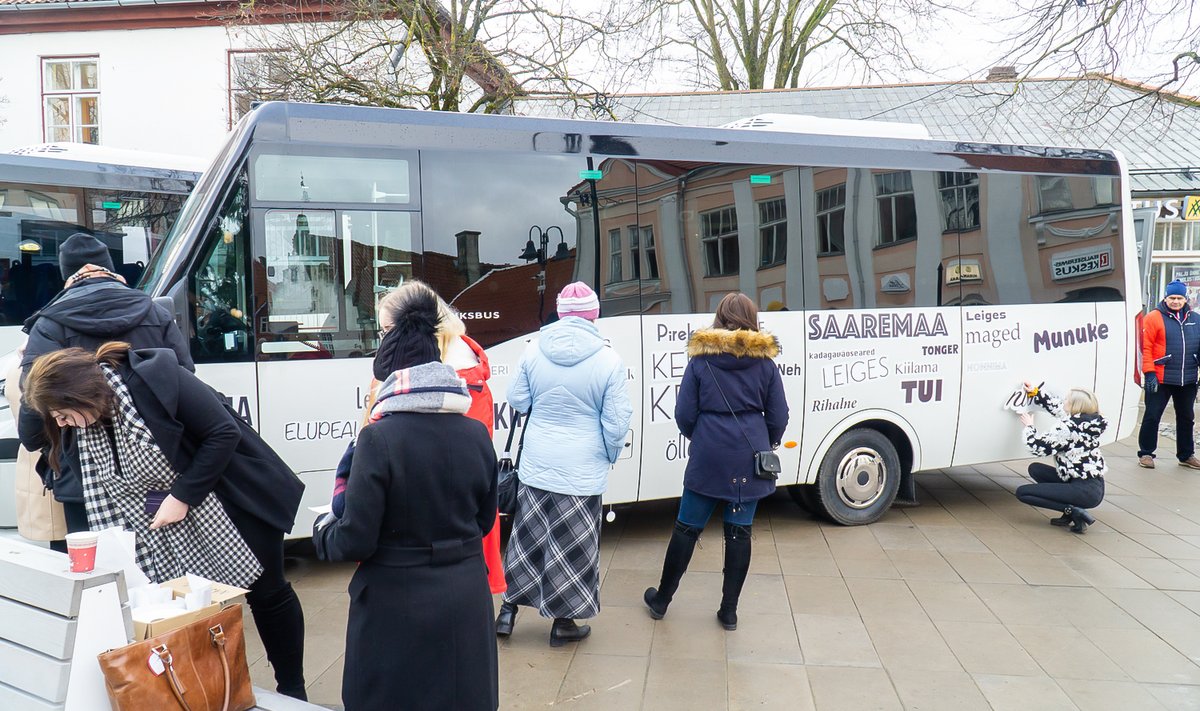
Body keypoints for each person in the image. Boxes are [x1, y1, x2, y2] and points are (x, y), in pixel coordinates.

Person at [21, 343, 308, 699]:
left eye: (63, 414)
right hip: (161, 517)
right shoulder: (87, 421)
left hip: (232, 498)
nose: (62, 425)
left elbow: (223, 433)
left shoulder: (155, 378)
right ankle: (212, 690)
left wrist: (183, 496)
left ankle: (293, 689)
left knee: (268, 593)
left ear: (80, 393)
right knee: (187, 606)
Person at [314, 289, 499, 711]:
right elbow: (485, 521)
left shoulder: (378, 438)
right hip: (465, 602)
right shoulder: (475, 433)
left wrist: (323, 532)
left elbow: (355, 539)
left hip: (398, 607)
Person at [330, 280, 506, 595]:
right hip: (454, 570)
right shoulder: (457, 389)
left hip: (413, 561)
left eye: (386, 332)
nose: (382, 341)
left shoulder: (468, 388)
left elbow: (453, 483)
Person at [18, 232, 193, 537]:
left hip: (82, 477)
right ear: (109, 268)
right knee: (162, 568)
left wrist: (40, 440)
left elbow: (34, 412)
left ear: (67, 275)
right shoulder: (155, 311)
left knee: (96, 571)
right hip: (157, 466)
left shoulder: (49, 324)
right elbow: (185, 380)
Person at [496, 282, 632, 647]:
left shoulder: (533, 349)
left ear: (560, 313)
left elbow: (517, 400)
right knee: (571, 546)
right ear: (593, 315)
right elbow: (616, 425)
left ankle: (508, 612)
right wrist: (608, 455)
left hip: (538, 460)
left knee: (527, 540)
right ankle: (562, 624)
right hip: (582, 469)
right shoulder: (609, 360)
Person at [643, 292, 788, 631]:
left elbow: (683, 414)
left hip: (708, 454)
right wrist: (767, 439)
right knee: (739, 533)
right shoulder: (766, 363)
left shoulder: (700, 361)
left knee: (686, 527)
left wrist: (704, 436)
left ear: (719, 319)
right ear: (753, 319)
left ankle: (662, 600)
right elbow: (778, 415)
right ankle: (729, 611)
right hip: (749, 458)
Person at [1014, 382, 1107, 534]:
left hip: (1084, 491)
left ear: (1075, 406)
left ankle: (1073, 511)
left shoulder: (1068, 430)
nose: (1064, 402)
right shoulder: (1086, 421)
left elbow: (1037, 447)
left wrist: (1029, 427)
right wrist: (1035, 392)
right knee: (1036, 469)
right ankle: (1071, 510)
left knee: (1023, 492)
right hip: (1092, 485)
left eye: (1067, 401)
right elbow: (1057, 407)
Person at [1138, 279, 1200, 469]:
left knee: (1186, 417)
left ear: (1185, 298)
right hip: (1160, 377)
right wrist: (1149, 373)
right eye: (1172, 297)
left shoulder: (1196, 319)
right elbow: (1145, 348)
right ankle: (1146, 453)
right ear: (1165, 298)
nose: (1175, 301)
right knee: (1152, 415)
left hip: (1187, 378)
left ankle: (1186, 454)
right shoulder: (1154, 318)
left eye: (1179, 298)